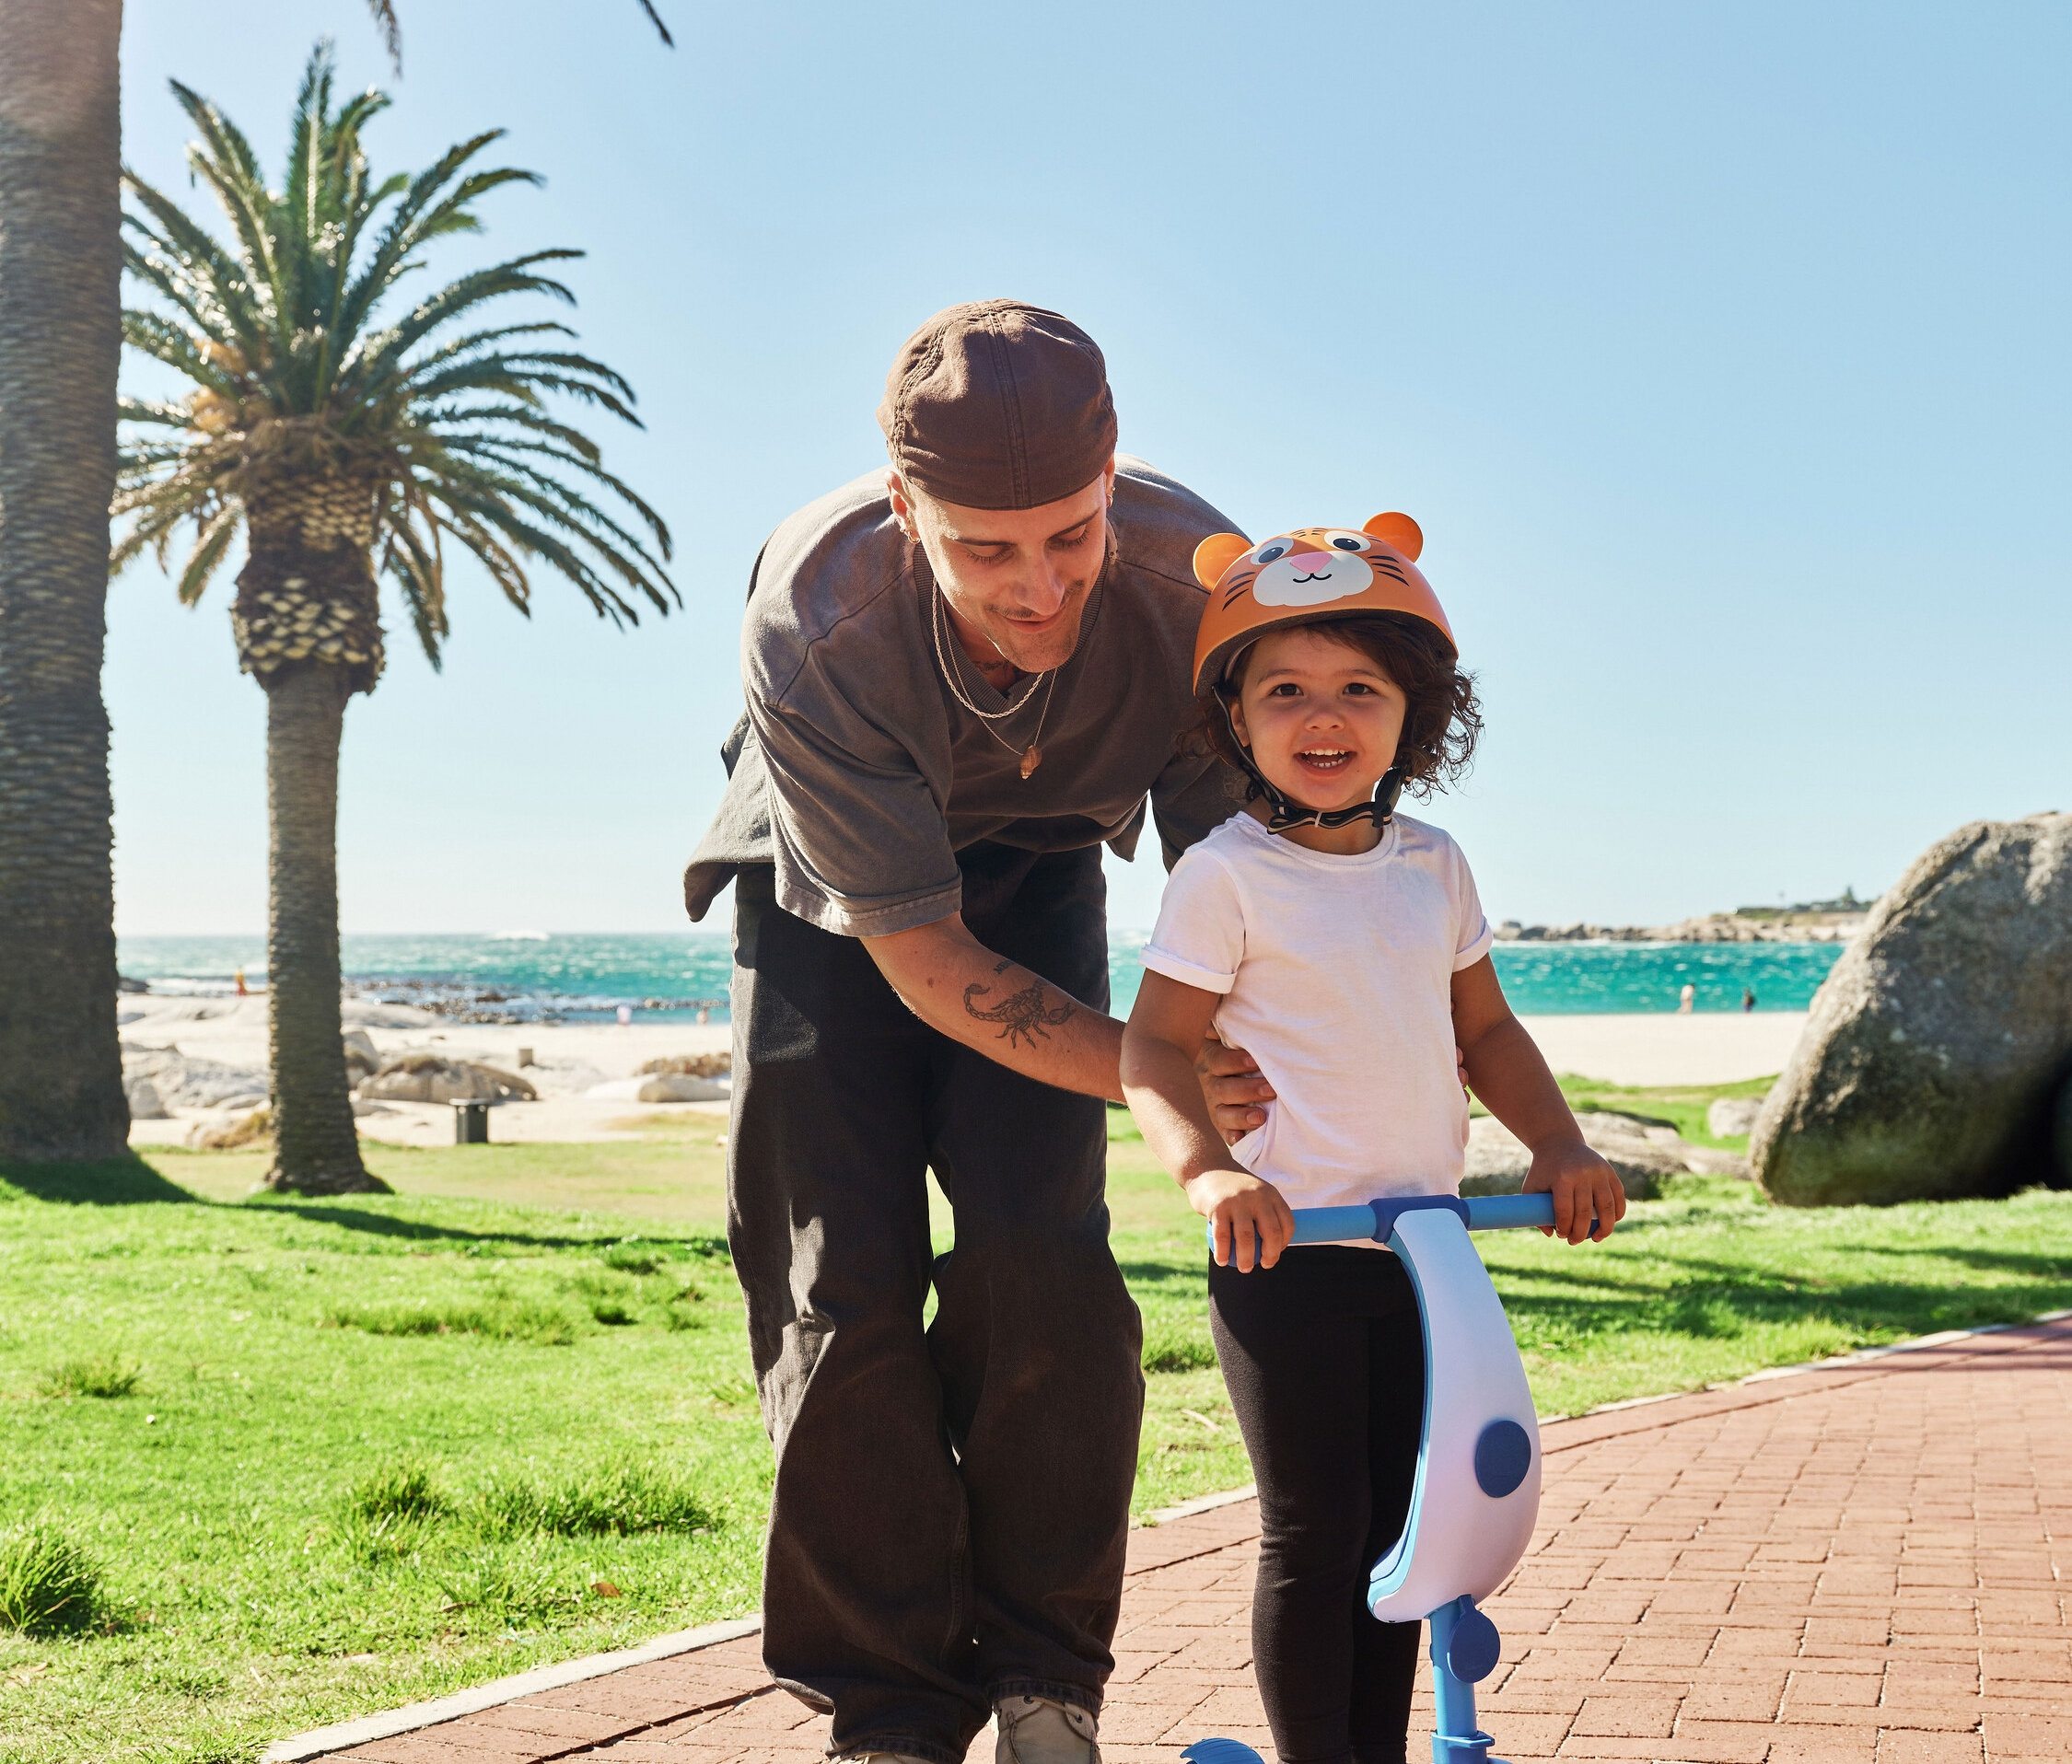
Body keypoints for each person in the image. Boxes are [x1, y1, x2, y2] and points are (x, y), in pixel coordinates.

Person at [681, 302, 1266, 1764]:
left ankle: (1045, 1680)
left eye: (1069, 536)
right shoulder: (817, 614)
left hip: (1044, 859)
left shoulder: (1201, 585)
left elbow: (1255, 886)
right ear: (903, 506)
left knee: (1039, 1257)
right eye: (983, 549)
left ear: (1114, 477)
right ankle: (889, 1713)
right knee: (843, 1284)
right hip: (831, 891)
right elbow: (925, 958)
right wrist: (1158, 1065)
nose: (1040, 586)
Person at [1119, 514, 1627, 1764]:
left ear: (1417, 715)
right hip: (1285, 1254)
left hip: (1422, 1256)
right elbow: (1150, 1046)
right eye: (1284, 690)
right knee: (1315, 1524)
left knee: (1414, 1523)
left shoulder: (1433, 865)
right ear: (1237, 721)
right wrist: (1209, 1168)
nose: (1322, 715)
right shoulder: (1223, 876)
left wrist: (1557, 1146)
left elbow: (1487, 1034)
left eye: (1360, 687)